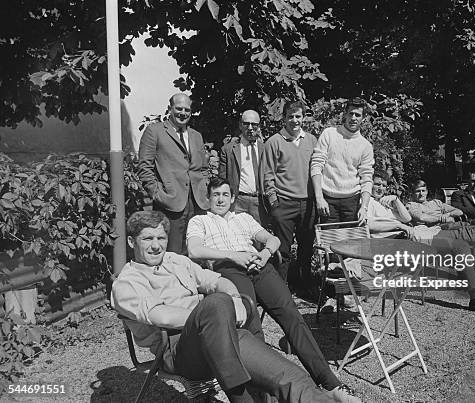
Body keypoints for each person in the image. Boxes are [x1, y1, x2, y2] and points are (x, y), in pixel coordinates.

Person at [112, 211, 343, 403]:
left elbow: (216, 280)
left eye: (160, 239)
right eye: (147, 239)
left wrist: (233, 298)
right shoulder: (126, 283)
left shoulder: (176, 261)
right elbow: (161, 316)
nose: (156, 246)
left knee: (290, 377)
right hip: (177, 350)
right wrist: (217, 313)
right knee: (217, 304)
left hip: (217, 332)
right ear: (132, 242)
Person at [186, 177, 360, 402]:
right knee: (252, 327)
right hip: (229, 269)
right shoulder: (200, 221)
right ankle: (264, 395)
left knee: (292, 316)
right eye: (216, 195)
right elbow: (195, 250)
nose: (220, 199)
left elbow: (273, 239)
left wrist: (265, 253)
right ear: (208, 198)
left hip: (259, 265)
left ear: (232, 198)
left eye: (225, 195)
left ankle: (330, 384)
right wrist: (233, 255)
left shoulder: (244, 219)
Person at [366, 172, 475, 314]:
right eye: (376, 184)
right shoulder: (367, 203)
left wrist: (395, 199)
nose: (380, 188)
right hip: (398, 243)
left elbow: (406, 219)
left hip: (418, 234)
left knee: (462, 242)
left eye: (383, 185)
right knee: (463, 239)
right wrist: (397, 225)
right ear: (368, 185)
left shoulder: (386, 201)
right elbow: (368, 225)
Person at [138, 93, 210, 254]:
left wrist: (204, 188)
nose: (183, 113)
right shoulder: (154, 131)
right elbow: (144, 167)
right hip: (170, 203)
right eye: (179, 108)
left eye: (187, 110)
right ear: (170, 109)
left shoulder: (196, 136)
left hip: (197, 203)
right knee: (172, 252)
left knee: (195, 250)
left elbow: (203, 167)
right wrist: (157, 193)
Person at [261, 100, 317, 293]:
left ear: (303, 118)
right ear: (284, 118)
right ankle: (280, 289)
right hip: (284, 204)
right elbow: (268, 174)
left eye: (298, 116)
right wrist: (274, 203)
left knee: (306, 248)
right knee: (283, 250)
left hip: (308, 204)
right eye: (290, 117)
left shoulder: (311, 140)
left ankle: (304, 285)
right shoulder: (274, 142)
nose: (294, 120)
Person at [311, 97, 374, 224]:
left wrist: (364, 207)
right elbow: (316, 165)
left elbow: (366, 177)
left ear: (363, 118)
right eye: (351, 113)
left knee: (351, 243)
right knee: (329, 242)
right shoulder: (329, 134)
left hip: (352, 202)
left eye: (358, 115)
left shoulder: (365, 146)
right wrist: (319, 198)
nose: (354, 118)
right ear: (345, 114)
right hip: (327, 201)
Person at [218, 110, 267, 225]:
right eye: (246, 124)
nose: (250, 128)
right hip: (238, 202)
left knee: (258, 240)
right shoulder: (228, 150)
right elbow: (222, 179)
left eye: (254, 124)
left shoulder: (266, 149)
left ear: (259, 126)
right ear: (240, 125)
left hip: (259, 202)